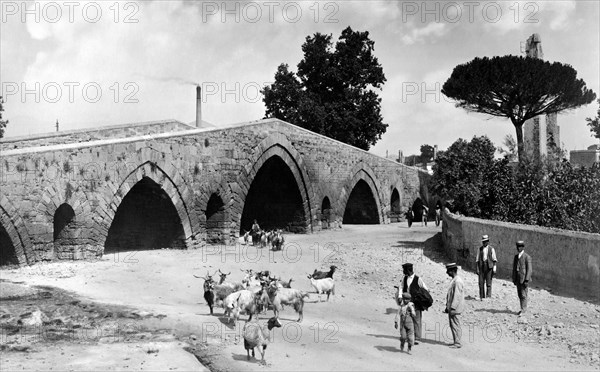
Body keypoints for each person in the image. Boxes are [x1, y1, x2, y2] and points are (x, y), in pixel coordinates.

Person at [396, 263, 428, 345]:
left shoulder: (418, 279)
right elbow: (401, 287)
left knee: (417, 320)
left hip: (416, 304)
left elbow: (425, 289)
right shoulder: (404, 278)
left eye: (404, 270)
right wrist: (400, 296)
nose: (403, 272)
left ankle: (417, 338)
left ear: (408, 270)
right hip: (407, 304)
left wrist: (420, 297)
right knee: (407, 320)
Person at [444, 262, 464, 349]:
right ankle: (455, 341)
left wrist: (452, 307)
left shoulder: (458, 281)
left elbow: (457, 296)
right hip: (452, 307)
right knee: (453, 324)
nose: (447, 273)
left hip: (455, 308)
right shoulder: (455, 280)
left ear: (452, 271)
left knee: (455, 324)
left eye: (448, 271)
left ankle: (457, 343)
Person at [512, 241, 532, 316]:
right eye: (517, 246)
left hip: (523, 278)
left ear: (523, 247)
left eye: (520, 246)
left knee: (524, 294)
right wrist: (514, 278)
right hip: (518, 278)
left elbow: (529, 269)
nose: (518, 248)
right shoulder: (516, 257)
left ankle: (524, 309)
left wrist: (526, 279)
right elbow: (514, 268)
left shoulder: (527, 257)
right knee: (519, 294)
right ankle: (522, 308)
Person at [475, 235, 497, 300]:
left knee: (488, 282)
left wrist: (494, 268)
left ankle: (488, 296)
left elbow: (494, 259)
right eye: (483, 242)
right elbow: (477, 260)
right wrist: (477, 268)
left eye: (485, 241)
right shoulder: (480, 249)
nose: (484, 243)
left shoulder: (491, 249)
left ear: (488, 242)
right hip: (481, 267)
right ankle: (482, 296)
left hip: (489, 267)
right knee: (481, 282)